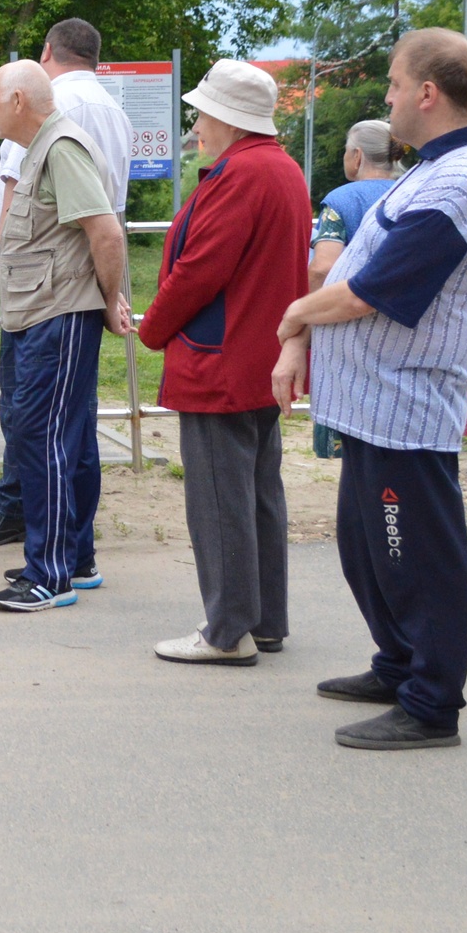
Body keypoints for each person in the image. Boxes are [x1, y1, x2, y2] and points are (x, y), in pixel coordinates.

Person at [272, 28, 467, 751]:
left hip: (405, 403)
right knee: (366, 545)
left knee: (416, 555)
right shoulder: (435, 165)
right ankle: (399, 662)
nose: (389, 98)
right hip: (372, 400)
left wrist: (295, 316)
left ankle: (432, 702)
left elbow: (375, 289)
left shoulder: (463, 180)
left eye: (396, 86)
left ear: (429, 95)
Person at [138, 61, 309, 664]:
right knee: (259, 492)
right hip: (261, 358)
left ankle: (227, 630)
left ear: (228, 119)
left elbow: (201, 269)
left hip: (219, 358)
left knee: (218, 498)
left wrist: (152, 328)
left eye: (203, 112)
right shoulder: (282, 168)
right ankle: (263, 619)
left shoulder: (239, 174)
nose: (197, 123)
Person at [0, 18, 133, 562]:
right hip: (50, 304)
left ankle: (49, 567)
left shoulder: (57, 140)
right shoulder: (107, 115)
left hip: (55, 309)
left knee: (42, 436)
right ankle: (73, 559)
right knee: (68, 436)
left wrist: (107, 299)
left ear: (16, 98)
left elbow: (104, 229)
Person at [308, 119, 400, 460]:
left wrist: (308, 316)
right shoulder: (413, 189)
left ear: (357, 156)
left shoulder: (342, 199)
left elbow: (323, 267)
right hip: (403, 329)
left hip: (349, 331)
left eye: (347, 150)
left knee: (356, 449)